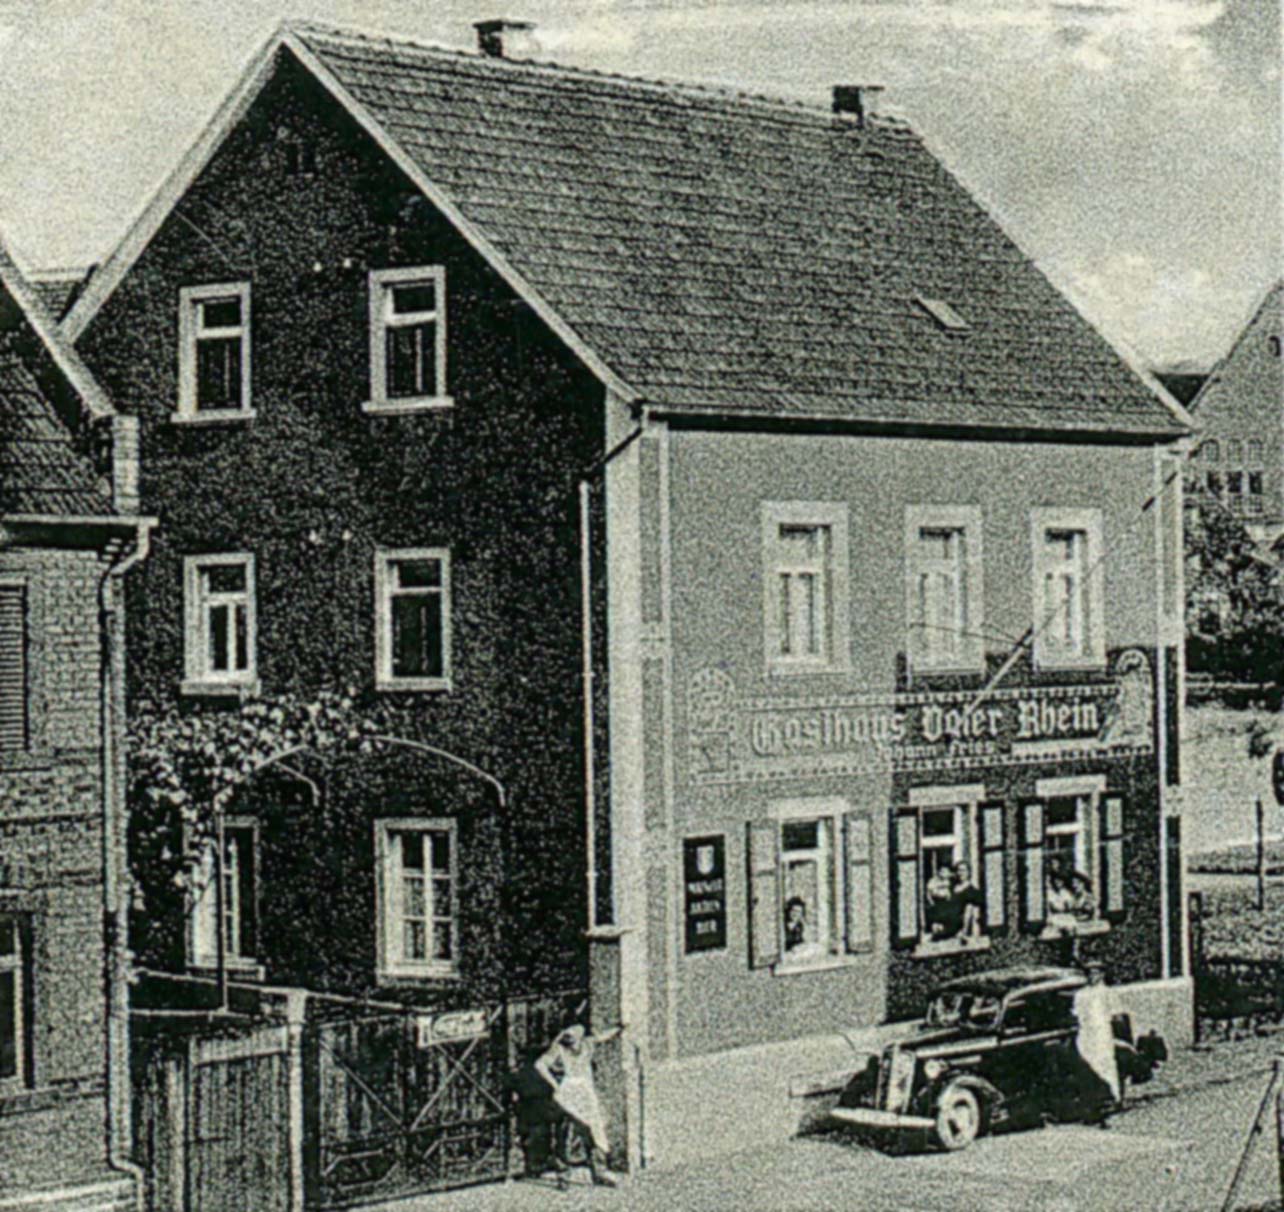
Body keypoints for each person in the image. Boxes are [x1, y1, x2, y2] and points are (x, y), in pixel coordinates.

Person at [534, 1023, 623, 1187]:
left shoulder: (587, 1044)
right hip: (569, 1094)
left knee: (594, 1130)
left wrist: (619, 1027)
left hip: (586, 1093)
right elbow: (540, 1065)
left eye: (574, 1035)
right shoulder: (559, 1049)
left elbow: (602, 1037)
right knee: (566, 1132)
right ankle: (563, 1174)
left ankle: (599, 1171)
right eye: (568, 1036)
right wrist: (555, 1085)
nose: (571, 1039)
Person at [1072, 962, 1122, 1121]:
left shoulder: (1108, 993)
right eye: (1090, 973)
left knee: (1106, 1062)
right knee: (1089, 1062)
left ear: (1102, 975)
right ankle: (1095, 1098)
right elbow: (1077, 1014)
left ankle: (1113, 1097)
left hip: (1102, 1031)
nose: (1093, 976)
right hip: (1086, 1032)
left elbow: (1117, 1014)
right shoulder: (1081, 994)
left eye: (1096, 973)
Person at [508, 1049, 567, 1179]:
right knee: (546, 1136)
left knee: (531, 1138)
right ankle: (551, 1160)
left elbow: (512, 1090)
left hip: (527, 1112)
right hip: (544, 1111)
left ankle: (534, 1165)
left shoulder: (519, 1074)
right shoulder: (546, 1073)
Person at [951, 862, 985, 941]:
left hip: (960, 928)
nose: (960, 873)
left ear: (969, 872)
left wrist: (964, 931)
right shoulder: (952, 888)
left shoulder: (972, 891)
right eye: (958, 870)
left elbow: (970, 912)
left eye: (963, 870)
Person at [925, 864, 958, 939]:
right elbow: (929, 893)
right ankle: (936, 933)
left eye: (946, 871)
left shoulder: (948, 881)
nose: (944, 873)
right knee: (936, 919)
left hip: (946, 903)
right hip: (936, 902)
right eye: (942, 871)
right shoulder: (933, 881)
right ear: (938, 872)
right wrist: (931, 902)